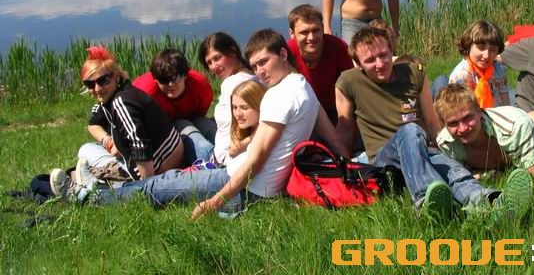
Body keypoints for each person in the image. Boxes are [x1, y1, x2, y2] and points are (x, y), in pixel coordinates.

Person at [49, 29, 346, 219]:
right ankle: (98, 187)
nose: (259, 72)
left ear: (282, 54)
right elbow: (330, 136)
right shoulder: (301, 85)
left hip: (247, 189)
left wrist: (215, 201)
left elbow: (256, 161)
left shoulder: (280, 97)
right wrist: (349, 160)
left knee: (157, 188)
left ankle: (88, 196)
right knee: (170, 178)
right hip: (250, 179)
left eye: (264, 62)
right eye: (255, 65)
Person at [334, 27, 533, 218]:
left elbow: (431, 122)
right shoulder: (349, 82)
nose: (380, 64)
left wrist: (445, 154)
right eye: (370, 60)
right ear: (358, 63)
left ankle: (492, 204)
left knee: (452, 171)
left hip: (421, 151)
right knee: (410, 130)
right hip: (385, 163)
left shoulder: (414, 73)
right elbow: (345, 130)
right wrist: (345, 172)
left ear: (391, 50)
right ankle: (425, 201)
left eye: (384, 55)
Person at [73, 46, 184, 181]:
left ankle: (111, 178)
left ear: (116, 76)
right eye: (90, 84)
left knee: (86, 151)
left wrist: (147, 184)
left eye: (103, 80)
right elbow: (93, 124)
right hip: (167, 155)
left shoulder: (121, 103)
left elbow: (140, 146)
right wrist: (109, 142)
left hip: (158, 166)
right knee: (87, 149)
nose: (97, 89)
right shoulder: (122, 93)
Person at [132, 48, 215, 164]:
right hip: (161, 133)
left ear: (185, 75)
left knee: (204, 123)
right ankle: (211, 158)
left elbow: (199, 115)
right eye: (163, 80)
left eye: (175, 78)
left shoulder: (201, 87)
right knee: (183, 125)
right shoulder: (143, 94)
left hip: (193, 119)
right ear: (155, 79)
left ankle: (230, 149)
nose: (170, 84)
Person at [287, 4, 353, 125]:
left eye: (316, 30)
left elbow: (350, 86)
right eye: (304, 32)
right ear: (292, 34)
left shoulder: (338, 47)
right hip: (302, 111)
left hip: (335, 109)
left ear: (322, 28)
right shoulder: (286, 53)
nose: (311, 37)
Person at [198, 32, 257, 167]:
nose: (214, 66)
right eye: (209, 62)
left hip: (223, 160)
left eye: (217, 58)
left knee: (183, 126)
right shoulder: (254, 74)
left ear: (232, 51)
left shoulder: (231, 84)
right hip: (228, 148)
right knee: (199, 121)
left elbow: (236, 135)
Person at [449, 20, 510, 108]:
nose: (486, 55)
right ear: (468, 46)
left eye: (492, 50)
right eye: (481, 48)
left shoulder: (498, 69)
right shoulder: (460, 76)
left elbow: (506, 101)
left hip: (497, 112)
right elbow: (460, 109)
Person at [228, 80, 266, 158]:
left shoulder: (268, 128)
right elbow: (232, 151)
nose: (238, 114)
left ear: (259, 106)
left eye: (244, 108)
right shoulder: (243, 124)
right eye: (234, 107)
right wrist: (252, 136)